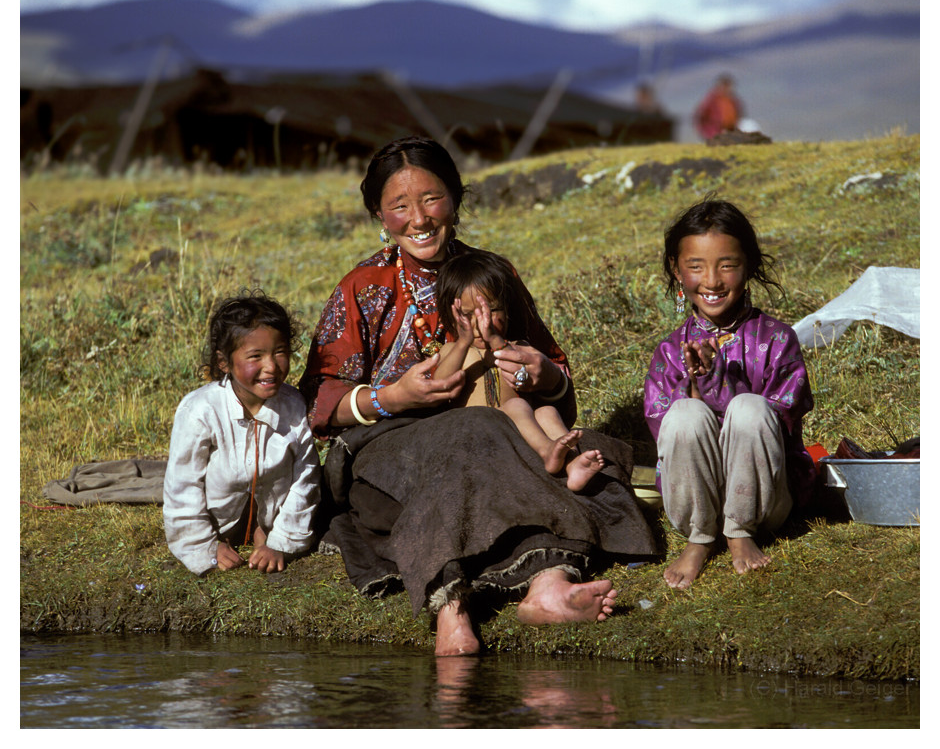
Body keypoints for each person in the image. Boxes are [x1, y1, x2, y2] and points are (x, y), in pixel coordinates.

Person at [298, 136, 656, 656]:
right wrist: (392, 398)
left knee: (567, 445)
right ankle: (455, 607)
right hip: (392, 452)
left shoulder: (494, 275)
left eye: (432, 199)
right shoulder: (363, 287)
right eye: (399, 206)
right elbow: (317, 398)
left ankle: (547, 588)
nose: (418, 219)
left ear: (456, 200)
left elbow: (555, 375)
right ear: (379, 213)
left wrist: (541, 373)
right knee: (482, 433)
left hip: (499, 434)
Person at [644, 198, 816, 590]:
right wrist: (694, 384)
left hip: (764, 498)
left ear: (749, 265)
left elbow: (783, 421)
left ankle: (739, 529)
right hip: (694, 497)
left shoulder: (777, 339)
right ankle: (700, 535)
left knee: (750, 408)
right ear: (676, 268)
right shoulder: (670, 352)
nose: (713, 281)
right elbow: (664, 432)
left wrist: (726, 384)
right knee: (685, 413)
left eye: (727, 265)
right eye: (695, 266)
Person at [163, 290, 321, 576]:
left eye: (280, 352)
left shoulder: (294, 406)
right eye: (255, 356)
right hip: (216, 521)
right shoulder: (200, 410)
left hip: (273, 519)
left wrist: (280, 541)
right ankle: (223, 536)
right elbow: (183, 484)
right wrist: (204, 546)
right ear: (224, 362)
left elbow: (305, 477)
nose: (271, 366)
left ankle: (263, 530)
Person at [432, 248, 605, 491]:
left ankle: (572, 464)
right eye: (467, 314)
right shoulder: (452, 350)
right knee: (516, 405)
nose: (483, 321)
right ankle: (549, 452)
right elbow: (439, 382)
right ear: (451, 317)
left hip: (525, 434)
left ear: (507, 309)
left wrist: (495, 340)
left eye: (492, 310)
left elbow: (524, 365)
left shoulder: (519, 346)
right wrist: (462, 341)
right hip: (478, 435)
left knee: (546, 412)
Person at [694, 74, 742, 140]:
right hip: (714, 132)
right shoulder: (711, 100)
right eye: (724, 85)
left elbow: (738, 114)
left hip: (730, 131)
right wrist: (706, 132)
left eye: (728, 86)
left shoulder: (733, 100)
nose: (726, 88)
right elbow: (701, 116)